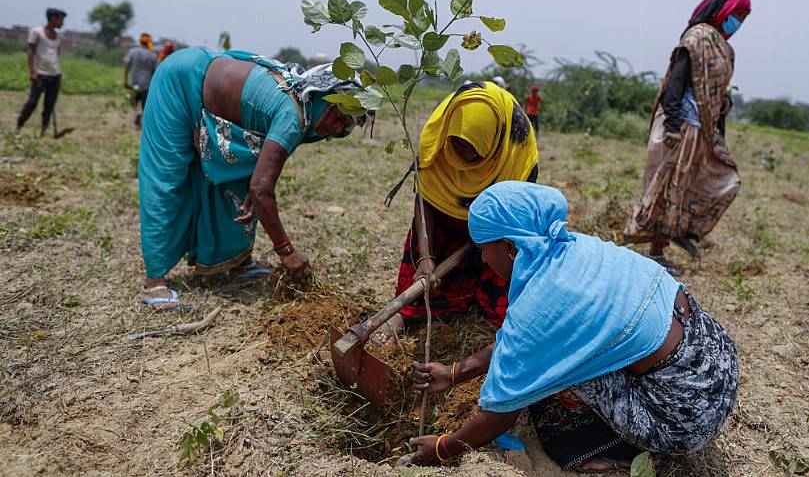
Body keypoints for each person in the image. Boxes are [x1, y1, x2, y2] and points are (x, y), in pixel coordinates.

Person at [410, 182, 739, 472]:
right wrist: (453, 373)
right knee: (569, 353)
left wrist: (443, 448)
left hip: (685, 417)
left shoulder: (543, 301)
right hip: (717, 360)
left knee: (555, 399)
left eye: (483, 249)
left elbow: (500, 413)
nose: (482, 260)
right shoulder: (575, 248)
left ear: (510, 248)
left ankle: (617, 454)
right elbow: (524, 340)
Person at [138, 47, 372, 310]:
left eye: (346, 126)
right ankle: (153, 281)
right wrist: (286, 251)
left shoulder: (306, 110)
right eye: (338, 116)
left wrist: (257, 186)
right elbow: (262, 190)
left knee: (240, 180)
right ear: (323, 96)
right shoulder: (292, 115)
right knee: (167, 178)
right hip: (180, 81)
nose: (337, 127)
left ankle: (236, 261)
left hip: (214, 89)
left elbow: (259, 181)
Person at [376, 81, 539, 342]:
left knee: (503, 256)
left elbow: (515, 215)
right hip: (445, 222)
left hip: (494, 229)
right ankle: (405, 312)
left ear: (493, 140)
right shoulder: (438, 139)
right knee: (423, 245)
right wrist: (426, 257)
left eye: (473, 146)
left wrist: (483, 238)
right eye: (458, 143)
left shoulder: (515, 149)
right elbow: (425, 197)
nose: (463, 153)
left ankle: (494, 315)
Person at [624, 0, 751, 273]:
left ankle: (682, 232)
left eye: (744, 17)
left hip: (702, 129)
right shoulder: (695, 38)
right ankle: (656, 250)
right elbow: (677, 81)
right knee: (667, 187)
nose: (739, 22)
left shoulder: (724, 48)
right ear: (723, 11)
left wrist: (724, 105)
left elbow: (714, 91)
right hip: (680, 124)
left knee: (716, 182)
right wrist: (671, 124)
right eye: (737, 14)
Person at [16, 7, 67, 136]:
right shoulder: (37, 32)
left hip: (55, 75)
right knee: (32, 103)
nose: (62, 23)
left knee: (49, 105)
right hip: (40, 74)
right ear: (52, 19)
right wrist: (32, 71)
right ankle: (19, 127)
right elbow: (31, 52)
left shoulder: (59, 37)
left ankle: (43, 131)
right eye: (60, 19)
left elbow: (56, 55)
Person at [124, 33, 157, 128]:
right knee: (144, 102)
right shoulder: (152, 55)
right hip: (147, 83)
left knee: (133, 100)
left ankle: (136, 112)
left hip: (134, 81)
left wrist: (125, 80)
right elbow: (154, 70)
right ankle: (141, 115)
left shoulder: (132, 51)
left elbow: (127, 65)